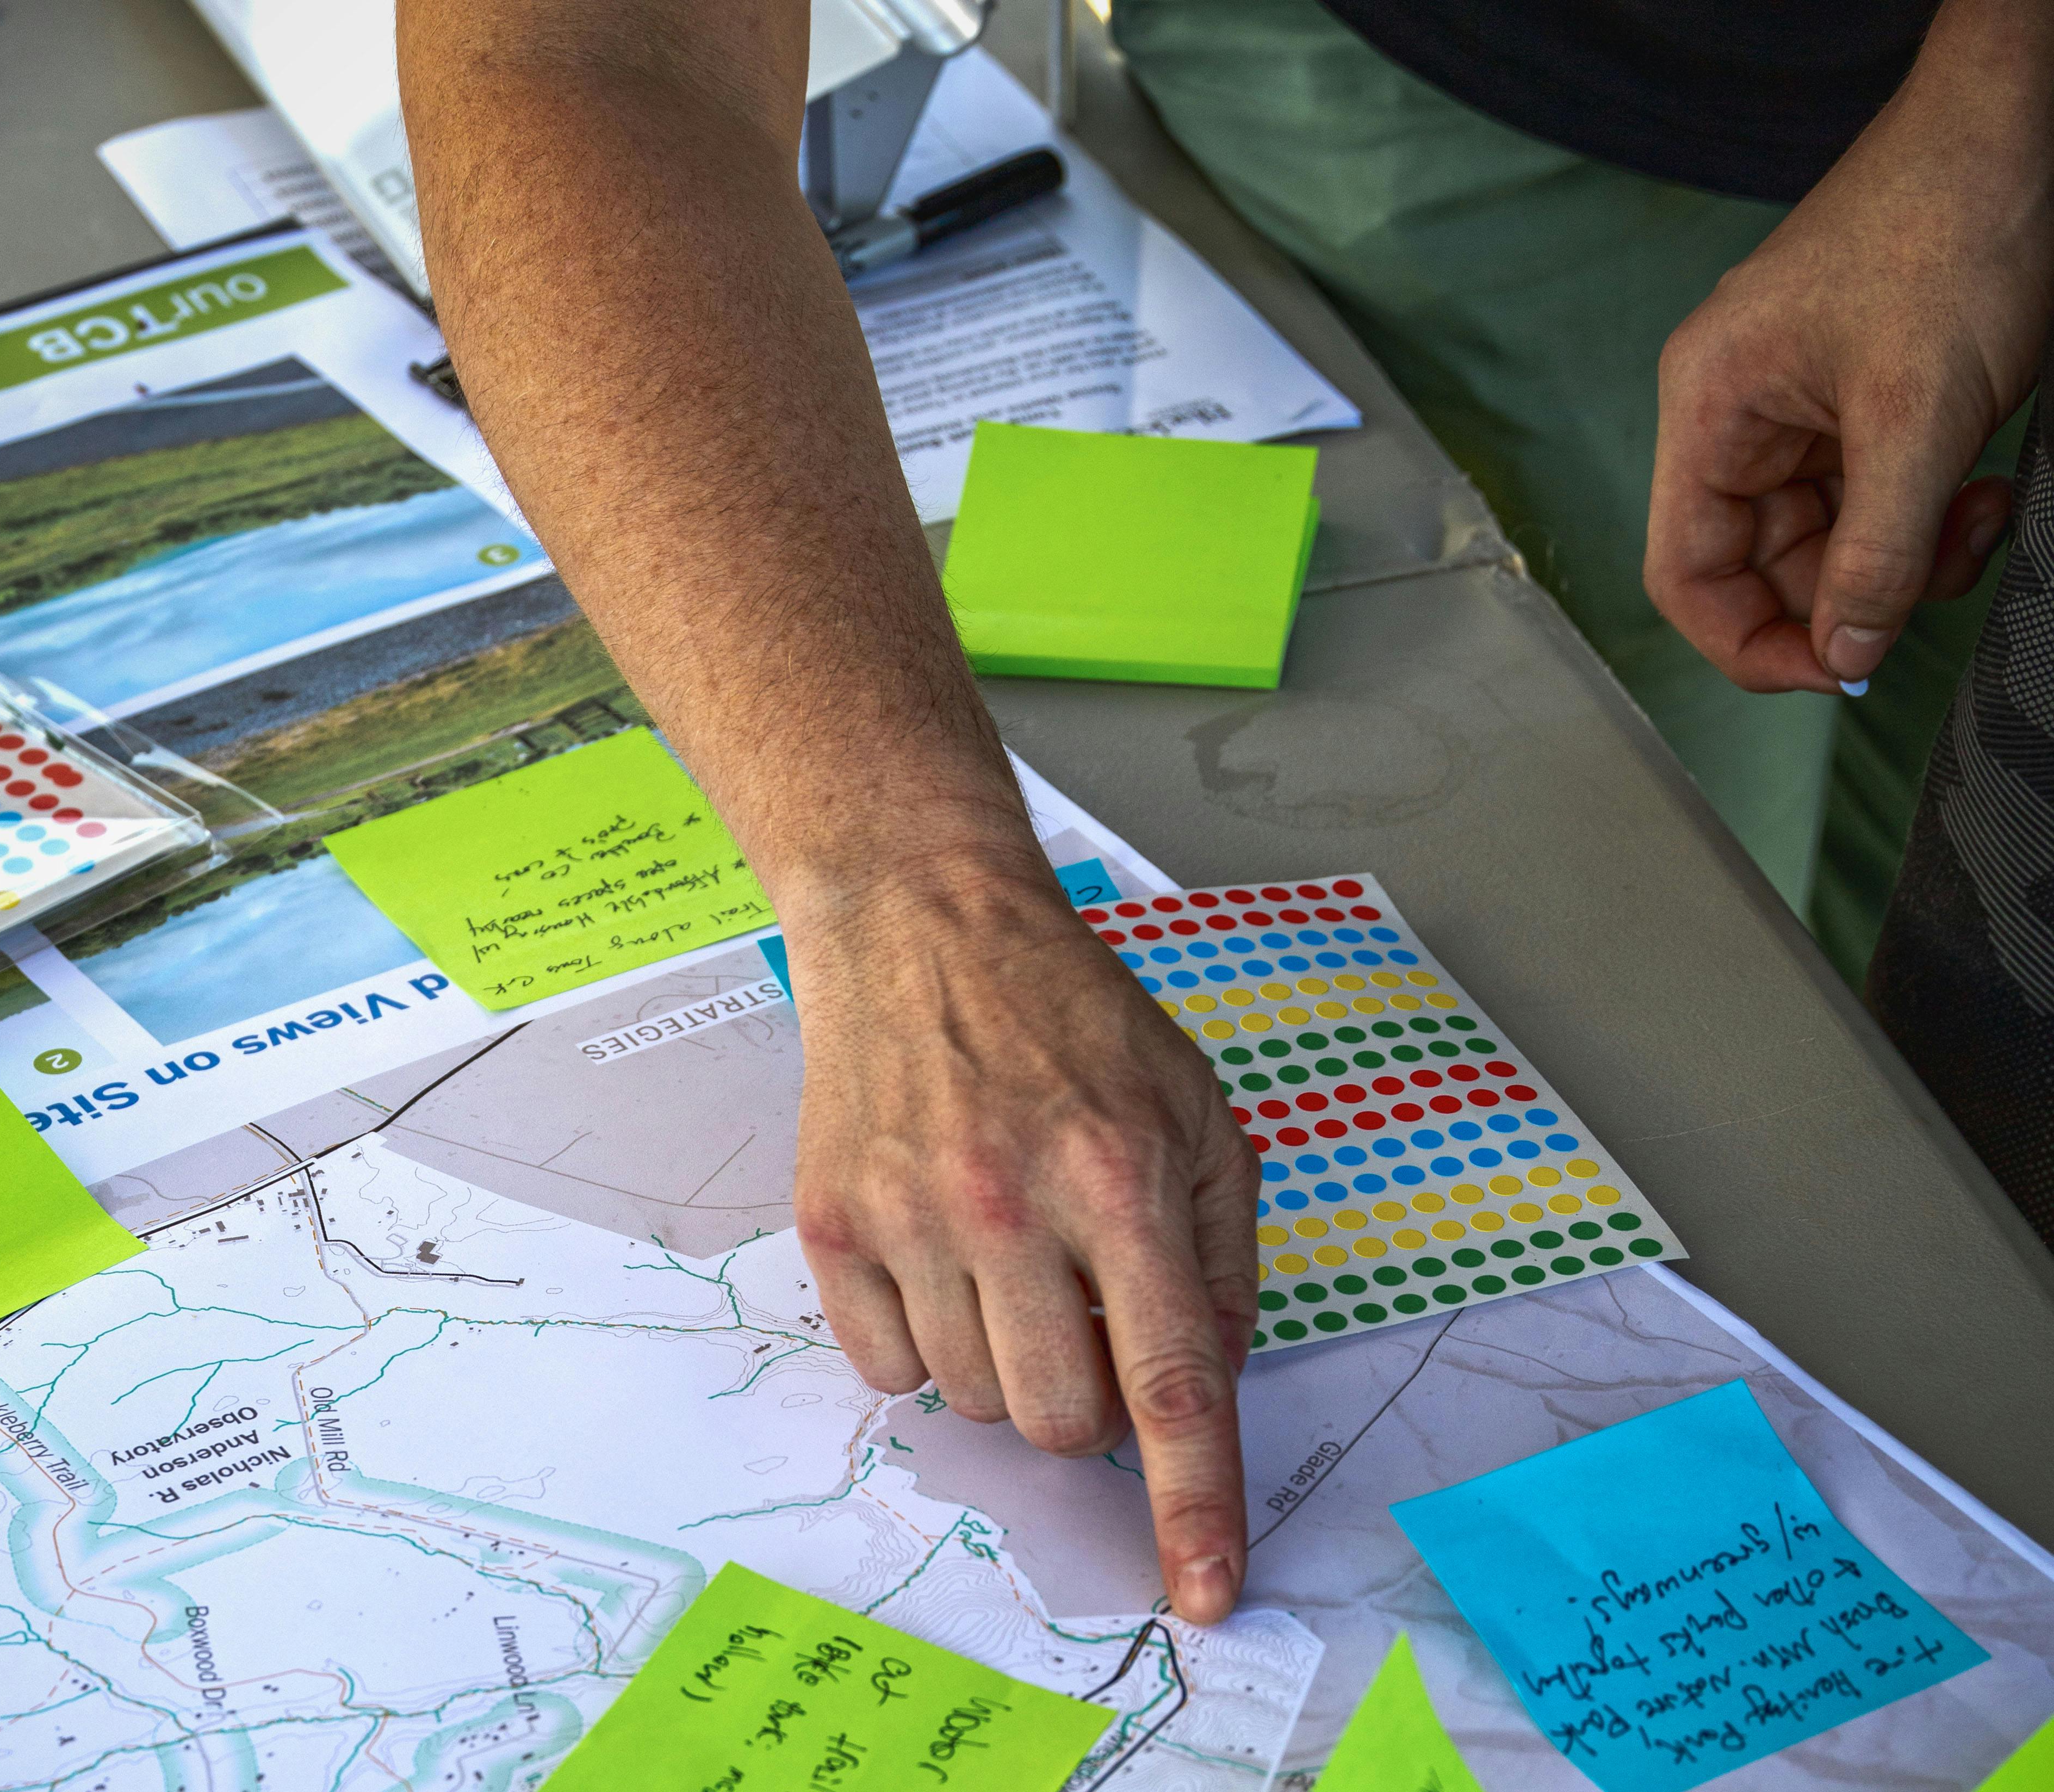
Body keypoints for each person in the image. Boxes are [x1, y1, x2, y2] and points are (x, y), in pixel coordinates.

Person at [396, 0, 2054, 1628]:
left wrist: (1995, 115)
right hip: (1482, 81)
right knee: (1692, 824)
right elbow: (579, 51)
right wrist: (907, 899)